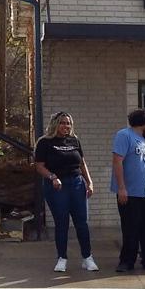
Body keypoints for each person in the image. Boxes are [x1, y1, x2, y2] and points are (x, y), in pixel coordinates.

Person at [33, 111, 98, 273]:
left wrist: (89, 182)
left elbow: (82, 164)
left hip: (76, 184)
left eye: (68, 123)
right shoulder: (45, 142)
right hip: (57, 186)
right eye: (62, 123)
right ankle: (62, 258)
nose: (66, 126)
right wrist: (52, 176)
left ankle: (87, 258)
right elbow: (39, 166)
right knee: (62, 223)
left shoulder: (75, 140)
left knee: (82, 223)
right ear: (55, 124)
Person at [110, 109, 145, 273]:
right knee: (130, 229)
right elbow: (117, 162)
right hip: (129, 193)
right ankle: (127, 261)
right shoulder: (124, 135)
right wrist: (121, 188)